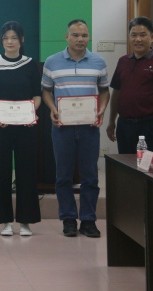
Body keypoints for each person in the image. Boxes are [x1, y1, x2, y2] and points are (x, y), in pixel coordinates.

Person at [42, 19, 109, 238]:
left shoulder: (99, 62)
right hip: (62, 127)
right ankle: (68, 219)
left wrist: (102, 109)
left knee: (90, 175)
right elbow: (46, 91)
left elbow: (104, 91)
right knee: (63, 175)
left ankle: (88, 220)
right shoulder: (52, 62)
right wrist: (52, 108)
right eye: (76, 35)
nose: (80, 39)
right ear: (67, 37)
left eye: (84, 35)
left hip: (89, 127)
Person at [0, 21, 41, 237]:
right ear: (1, 40)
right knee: (0, 171)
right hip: (1, 125)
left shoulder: (30, 64)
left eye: (14, 38)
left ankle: (26, 221)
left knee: (27, 171)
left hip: (26, 126)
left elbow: (37, 95)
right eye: (6, 38)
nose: (10, 42)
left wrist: (30, 112)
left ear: (22, 40)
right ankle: (5, 220)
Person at [106, 16, 153, 154]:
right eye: (133, 35)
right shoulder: (123, 61)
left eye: (142, 35)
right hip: (125, 125)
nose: (138, 39)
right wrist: (112, 121)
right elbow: (116, 92)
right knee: (126, 164)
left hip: (151, 126)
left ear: (151, 37)